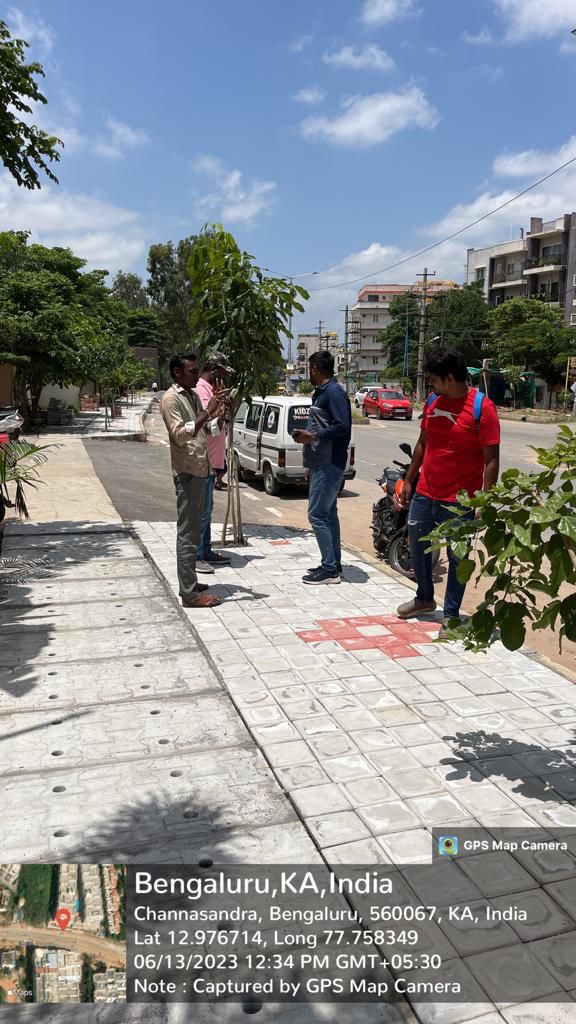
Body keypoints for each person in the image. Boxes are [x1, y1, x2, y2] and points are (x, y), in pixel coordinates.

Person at [396, 348, 500, 630]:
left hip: (459, 501)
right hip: (426, 492)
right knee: (417, 548)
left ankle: (451, 614)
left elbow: (492, 460)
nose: (431, 385)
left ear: (450, 378)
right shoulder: (433, 401)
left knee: (457, 559)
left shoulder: (482, 408)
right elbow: (423, 442)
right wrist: (409, 478)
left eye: (434, 380)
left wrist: (483, 500)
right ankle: (424, 599)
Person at [160, 352, 225, 608]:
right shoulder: (170, 399)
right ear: (177, 372)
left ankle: (190, 581)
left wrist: (221, 415)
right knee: (187, 534)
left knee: (195, 530)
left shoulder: (193, 395)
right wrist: (206, 412)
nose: (196, 376)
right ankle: (189, 593)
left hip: (202, 469)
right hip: (187, 473)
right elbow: (179, 435)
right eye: (191, 371)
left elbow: (207, 430)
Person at [293, 350, 352, 585]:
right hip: (321, 463)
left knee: (316, 514)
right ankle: (332, 563)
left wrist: (312, 435)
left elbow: (343, 427)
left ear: (315, 369)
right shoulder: (322, 393)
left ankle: (329, 570)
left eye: (309, 369)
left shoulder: (334, 393)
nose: (308, 373)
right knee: (328, 514)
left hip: (330, 462)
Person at [194, 353, 232, 573]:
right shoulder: (201, 390)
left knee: (207, 509)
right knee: (202, 510)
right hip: (203, 458)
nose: (225, 378)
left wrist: (226, 407)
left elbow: (218, 423)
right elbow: (204, 422)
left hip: (213, 460)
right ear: (214, 370)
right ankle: (198, 554)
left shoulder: (212, 391)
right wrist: (217, 407)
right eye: (223, 373)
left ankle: (205, 549)